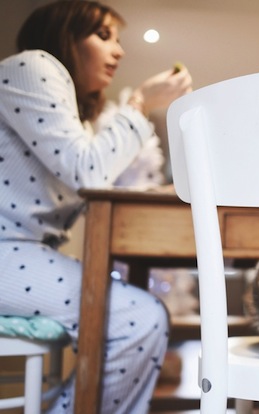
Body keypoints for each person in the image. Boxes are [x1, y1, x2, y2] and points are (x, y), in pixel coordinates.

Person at [0, 1, 192, 413]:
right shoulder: (32, 66)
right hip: (6, 250)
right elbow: (88, 172)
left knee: (138, 315)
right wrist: (140, 103)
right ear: (64, 36)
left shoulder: (75, 117)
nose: (119, 51)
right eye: (103, 36)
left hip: (23, 252)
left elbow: (87, 173)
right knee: (138, 318)